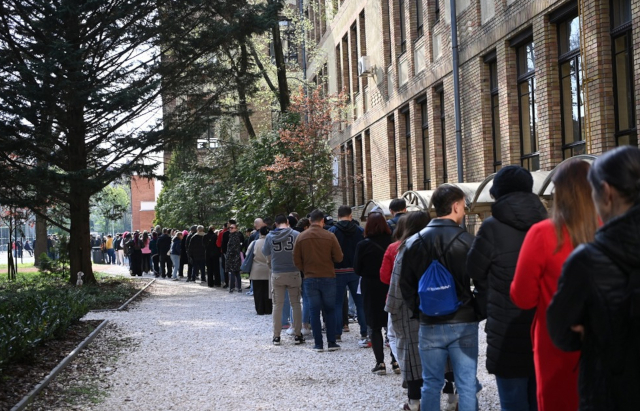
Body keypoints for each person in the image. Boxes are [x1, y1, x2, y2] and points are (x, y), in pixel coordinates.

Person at [547, 146, 640, 411]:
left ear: (606, 192)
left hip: (610, 392)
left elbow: (561, 333)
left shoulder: (587, 260)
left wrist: (595, 327)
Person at [510, 159, 598, 411]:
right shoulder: (612, 230)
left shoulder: (543, 233)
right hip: (604, 338)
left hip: (555, 341)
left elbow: (523, 297)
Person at [467, 166, 547, 411]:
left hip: (506, 325)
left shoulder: (492, 227)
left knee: (513, 401)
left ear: (497, 192)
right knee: (541, 399)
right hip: (543, 325)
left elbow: (473, 269)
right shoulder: (548, 223)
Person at [400, 185, 484, 411]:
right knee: (466, 384)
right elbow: (484, 282)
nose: (464, 211)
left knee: (431, 383)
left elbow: (405, 284)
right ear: (456, 206)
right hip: (464, 320)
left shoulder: (413, 242)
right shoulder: (468, 241)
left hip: (429, 320)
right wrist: (477, 310)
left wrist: (419, 310)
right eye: (463, 206)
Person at [383, 211, 432, 411]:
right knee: (443, 356)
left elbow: (396, 282)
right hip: (438, 307)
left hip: (410, 309)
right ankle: (452, 397)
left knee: (412, 356)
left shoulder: (405, 248)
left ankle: (414, 402)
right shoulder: (437, 244)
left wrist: (391, 308)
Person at [293, 209, 343, 352]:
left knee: (314, 311)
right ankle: (332, 342)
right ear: (322, 221)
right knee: (330, 310)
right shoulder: (330, 236)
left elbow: (296, 259)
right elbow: (339, 257)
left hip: (310, 277)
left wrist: (305, 269)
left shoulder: (301, 237)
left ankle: (318, 344)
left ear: (310, 221)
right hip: (328, 276)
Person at [354, 211, 396, 375]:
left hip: (371, 286)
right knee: (392, 324)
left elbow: (357, 269)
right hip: (390, 284)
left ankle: (380, 362)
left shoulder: (363, 245)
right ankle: (395, 360)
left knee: (374, 325)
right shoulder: (392, 242)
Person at [328, 205, 368, 347]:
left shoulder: (332, 232)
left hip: (338, 271)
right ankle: (365, 331)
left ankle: (337, 333)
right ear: (350, 215)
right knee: (360, 303)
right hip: (355, 271)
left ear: (338, 216)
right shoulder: (360, 231)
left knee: (337, 303)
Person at [263, 214, 302, 345]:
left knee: (277, 305)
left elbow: (266, 253)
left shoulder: (270, 236)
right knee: (295, 304)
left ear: (275, 224)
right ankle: (298, 334)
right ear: (287, 222)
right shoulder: (296, 234)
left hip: (277, 273)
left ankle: (276, 336)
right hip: (294, 272)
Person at [249, 226, 272, 315]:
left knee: (258, 290)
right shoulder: (271, 242)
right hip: (268, 268)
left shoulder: (254, 243)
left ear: (260, 233)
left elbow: (248, 254)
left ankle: (260, 309)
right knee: (268, 290)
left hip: (257, 269)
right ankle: (268, 309)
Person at [225, 222, 244, 292]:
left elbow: (233, 248)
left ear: (236, 229)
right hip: (234, 257)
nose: (230, 229)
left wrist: (229, 256)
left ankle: (232, 287)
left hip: (233, 257)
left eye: (232, 228)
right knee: (236, 272)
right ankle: (238, 287)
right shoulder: (232, 236)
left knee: (233, 272)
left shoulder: (234, 237)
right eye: (230, 227)